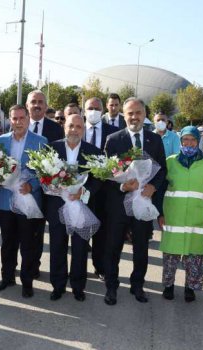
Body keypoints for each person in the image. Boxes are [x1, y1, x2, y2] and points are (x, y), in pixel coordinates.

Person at [103, 98, 166, 305]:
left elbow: (162, 169)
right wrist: (122, 186)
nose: (134, 117)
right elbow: (106, 174)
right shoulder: (113, 139)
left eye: (138, 113)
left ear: (144, 114)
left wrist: (153, 187)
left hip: (143, 203)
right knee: (113, 247)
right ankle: (111, 286)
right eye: (130, 113)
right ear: (124, 114)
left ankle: (137, 285)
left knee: (141, 247)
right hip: (119, 205)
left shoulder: (154, 140)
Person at [0, 105, 47, 298]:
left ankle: (27, 281)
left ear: (28, 119)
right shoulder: (0, 140)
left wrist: (32, 186)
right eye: (14, 118)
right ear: (9, 120)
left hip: (28, 199)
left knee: (27, 243)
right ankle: (7, 277)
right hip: (6, 201)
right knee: (8, 242)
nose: (18, 122)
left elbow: (45, 172)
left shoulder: (40, 141)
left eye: (22, 118)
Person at [46, 114, 102, 301]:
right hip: (57, 206)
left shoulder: (93, 151)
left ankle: (78, 286)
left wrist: (84, 192)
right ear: (64, 127)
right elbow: (43, 175)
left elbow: (98, 180)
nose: (74, 130)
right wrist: (51, 184)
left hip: (81, 206)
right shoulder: (51, 148)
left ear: (83, 129)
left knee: (80, 248)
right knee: (57, 246)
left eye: (78, 127)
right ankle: (58, 285)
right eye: (71, 126)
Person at [158, 126, 203, 302]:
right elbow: (160, 190)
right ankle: (169, 285)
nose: (189, 143)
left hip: (196, 218)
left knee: (194, 256)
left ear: (198, 142)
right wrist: (160, 213)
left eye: (193, 140)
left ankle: (190, 288)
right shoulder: (170, 161)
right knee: (170, 255)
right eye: (185, 140)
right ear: (180, 141)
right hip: (173, 216)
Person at [26, 90, 64, 278]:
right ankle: (23, 264)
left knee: (38, 230)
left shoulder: (56, 129)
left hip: (46, 190)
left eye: (41, 101)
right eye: (33, 101)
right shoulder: (19, 124)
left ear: (46, 106)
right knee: (22, 230)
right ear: (27, 105)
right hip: (21, 187)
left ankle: (35, 265)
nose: (37, 105)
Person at [82, 97, 119, 280]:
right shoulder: (77, 129)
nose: (93, 111)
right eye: (90, 108)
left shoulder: (114, 132)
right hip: (81, 187)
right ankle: (79, 267)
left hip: (106, 189)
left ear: (103, 110)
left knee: (102, 231)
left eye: (97, 108)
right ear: (84, 110)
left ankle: (100, 266)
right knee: (81, 227)